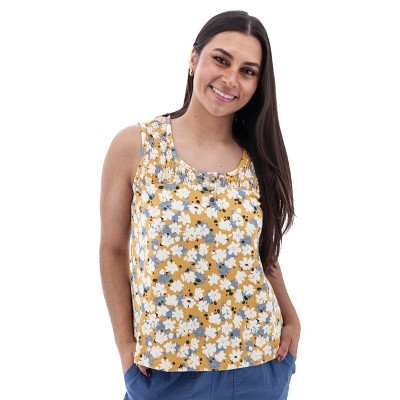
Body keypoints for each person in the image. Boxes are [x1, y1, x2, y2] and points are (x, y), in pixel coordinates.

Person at [100, 10, 300, 400]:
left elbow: (262, 252)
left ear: (258, 84)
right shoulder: (136, 146)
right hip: (161, 371)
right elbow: (112, 249)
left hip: (257, 367)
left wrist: (291, 319)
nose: (231, 79)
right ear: (194, 59)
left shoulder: (258, 158)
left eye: (247, 71)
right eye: (221, 60)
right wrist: (125, 348)